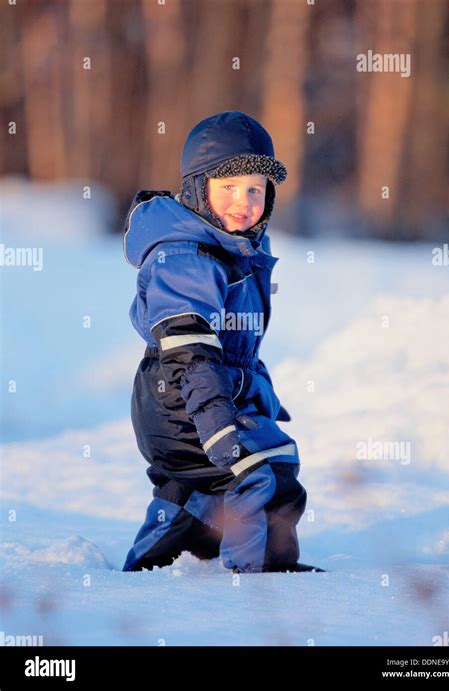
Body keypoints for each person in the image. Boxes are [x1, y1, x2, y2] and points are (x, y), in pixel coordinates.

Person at [122, 111, 324, 574]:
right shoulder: (186, 257)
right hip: (181, 400)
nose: (243, 201)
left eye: (255, 190)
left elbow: (238, 348)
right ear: (198, 189)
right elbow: (191, 349)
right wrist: (215, 422)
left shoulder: (235, 250)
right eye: (228, 187)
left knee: (231, 476)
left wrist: (259, 394)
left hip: (200, 394)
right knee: (256, 469)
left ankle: (170, 542)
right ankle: (251, 583)